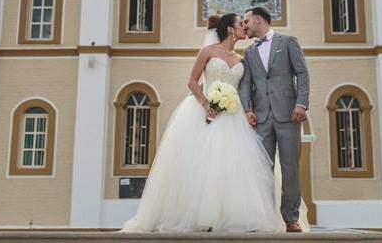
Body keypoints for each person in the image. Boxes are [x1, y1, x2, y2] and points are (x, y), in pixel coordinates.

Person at [121, 13, 283, 233]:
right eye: (241, 24)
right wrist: (206, 104)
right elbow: (192, 81)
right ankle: (200, 217)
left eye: (245, 24)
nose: (244, 27)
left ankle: (235, 217)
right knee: (202, 163)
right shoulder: (208, 52)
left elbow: (245, 90)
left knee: (234, 165)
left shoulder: (241, 59)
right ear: (229, 29)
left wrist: (248, 110)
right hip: (205, 112)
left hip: (233, 116)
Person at [239, 6, 311, 233]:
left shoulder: (288, 42)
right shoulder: (249, 53)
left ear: (258, 19)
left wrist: (301, 103)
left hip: (289, 113)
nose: (244, 25)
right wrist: (247, 109)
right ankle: (264, 218)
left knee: (290, 167)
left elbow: (302, 73)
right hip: (261, 117)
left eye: (247, 21)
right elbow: (246, 83)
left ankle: (291, 218)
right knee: (262, 169)